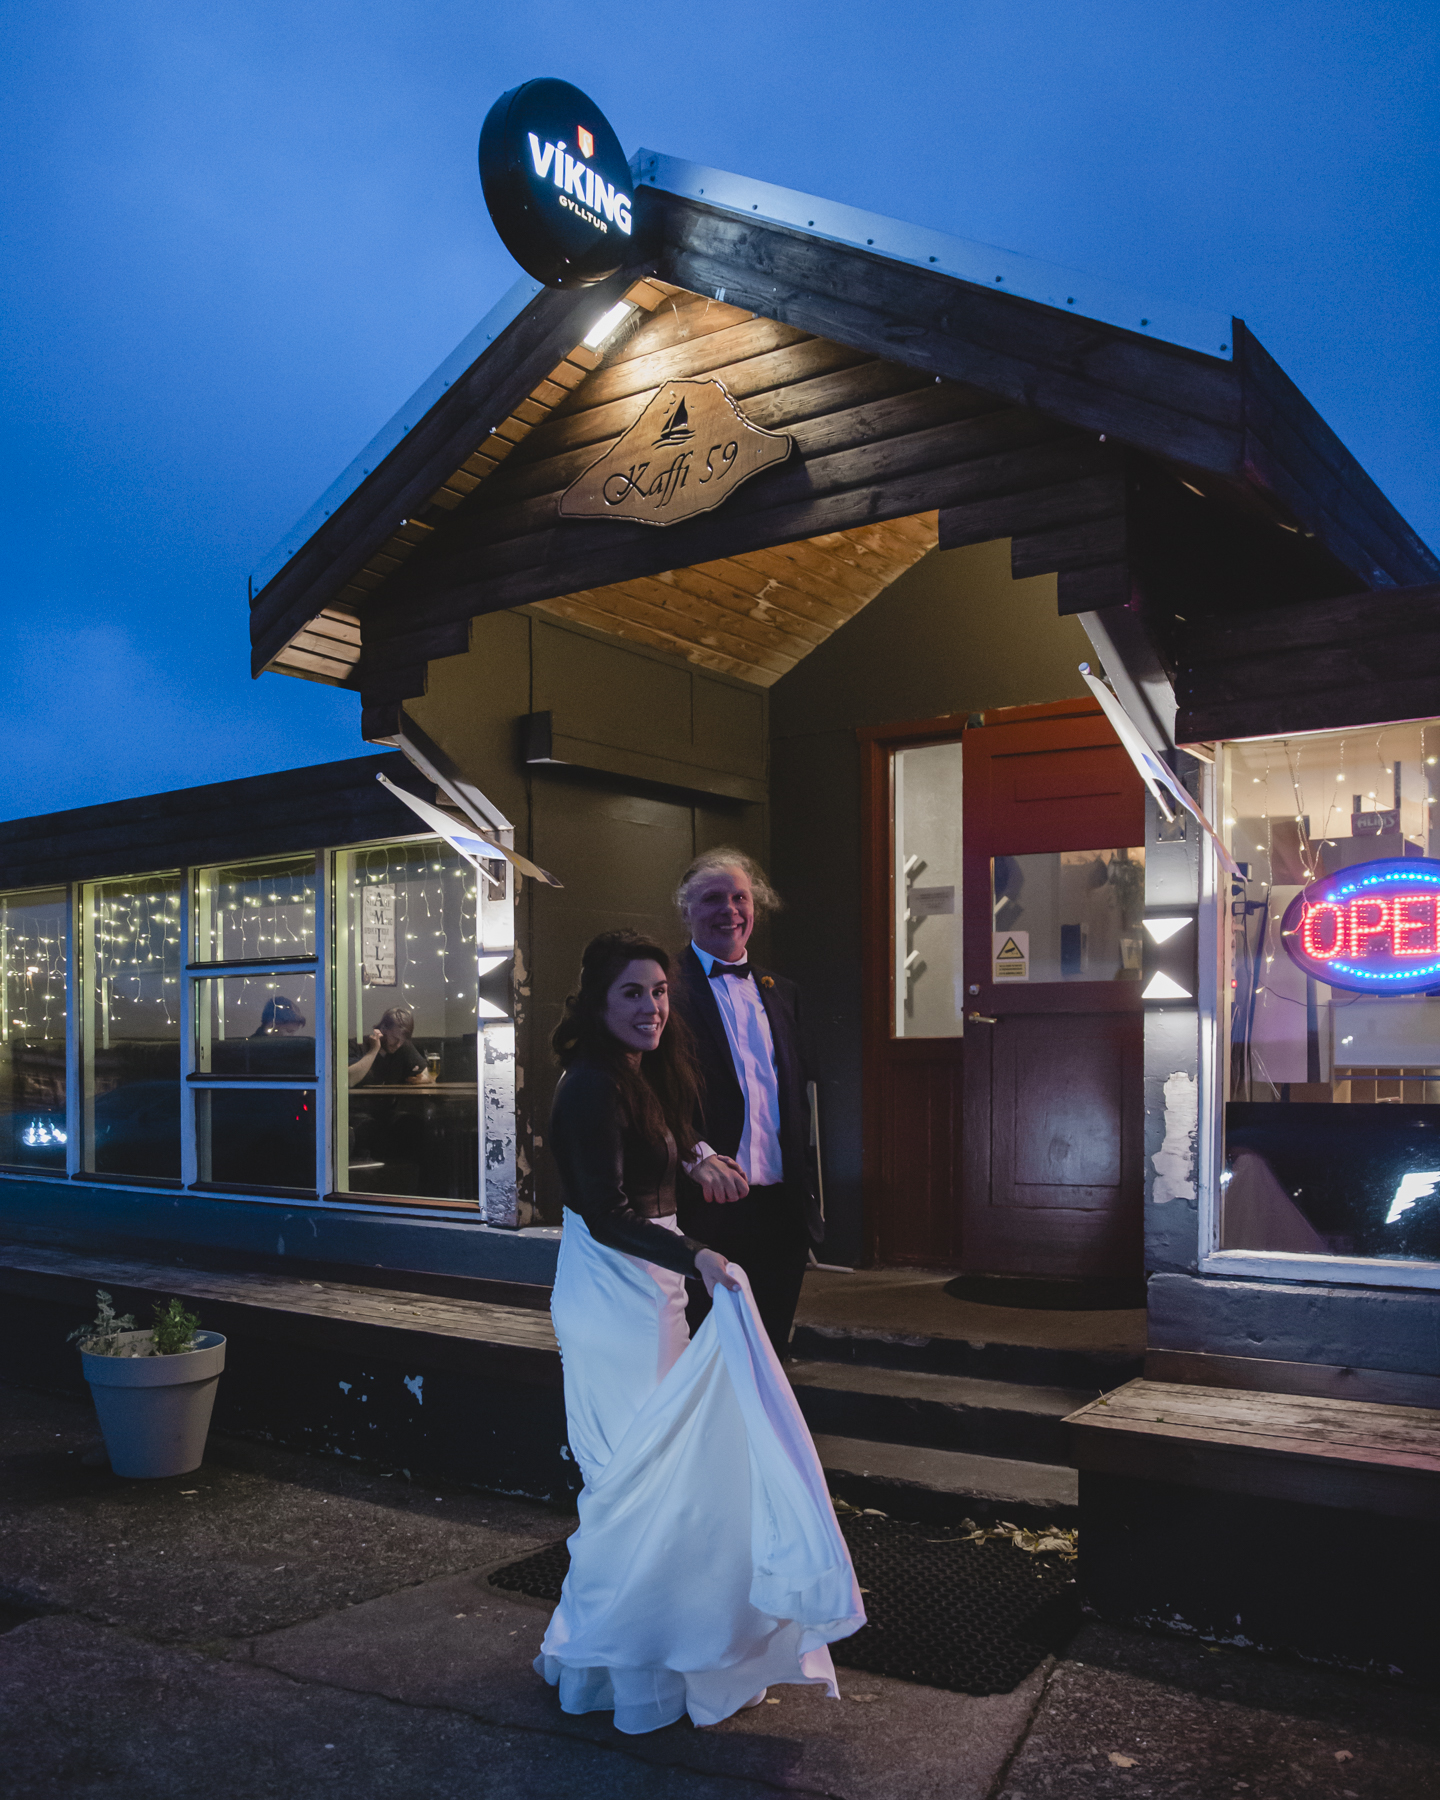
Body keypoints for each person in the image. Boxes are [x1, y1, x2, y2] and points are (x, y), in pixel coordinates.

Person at [538, 929, 863, 1735]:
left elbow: (665, 1136)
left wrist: (698, 1159)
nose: (650, 1008)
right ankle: (626, 1662)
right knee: (632, 1479)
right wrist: (699, 1254)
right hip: (613, 1291)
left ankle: (656, 1653)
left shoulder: (639, 1073)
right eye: (631, 995)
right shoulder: (587, 1085)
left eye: (657, 992)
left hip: (652, 1290)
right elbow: (607, 1211)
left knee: (666, 1478)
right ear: (596, 1003)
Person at [669, 850, 822, 1361]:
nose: (730, 909)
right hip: (707, 1209)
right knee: (706, 1351)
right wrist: (696, 1156)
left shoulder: (784, 993)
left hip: (780, 1207)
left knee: (771, 1349)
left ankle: (762, 1443)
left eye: (740, 897)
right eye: (713, 898)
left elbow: (793, 1099)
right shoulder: (663, 991)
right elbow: (651, 1094)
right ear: (686, 909)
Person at [347, 1005, 434, 1088]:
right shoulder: (357, 1045)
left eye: (402, 1040)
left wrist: (425, 1078)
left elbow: (430, 1073)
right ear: (383, 1029)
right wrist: (373, 1051)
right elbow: (349, 1079)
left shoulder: (403, 1047)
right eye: (394, 1038)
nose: (398, 1044)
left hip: (392, 1102)